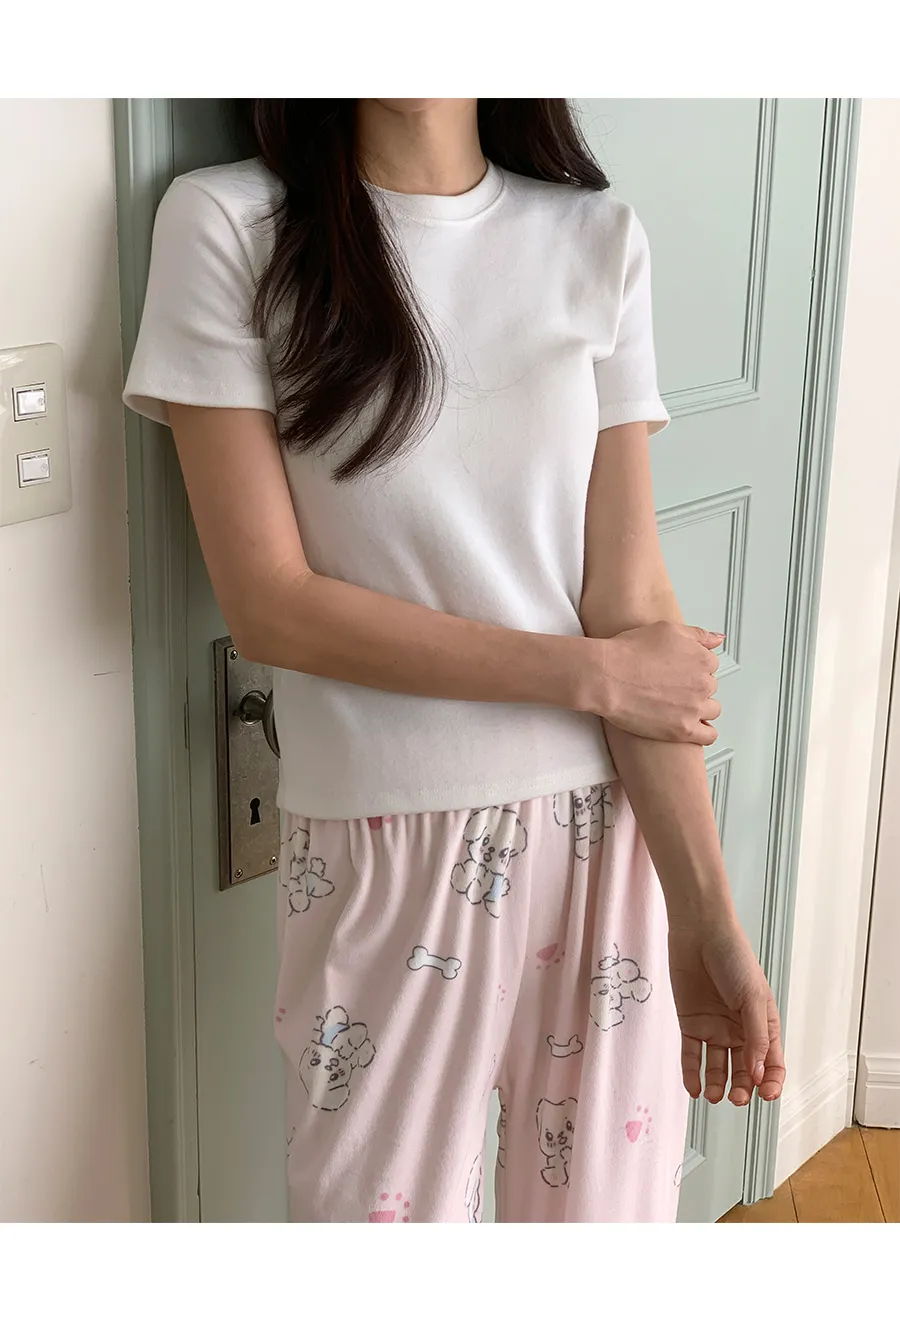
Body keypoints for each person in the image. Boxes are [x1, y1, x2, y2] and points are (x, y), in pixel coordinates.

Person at [123, 98, 785, 1224]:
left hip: (607, 833)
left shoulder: (595, 237)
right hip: (384, 843)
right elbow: (272, 606)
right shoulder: (230, 224)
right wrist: (588, 676)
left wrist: (707, 915)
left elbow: (630, 608)